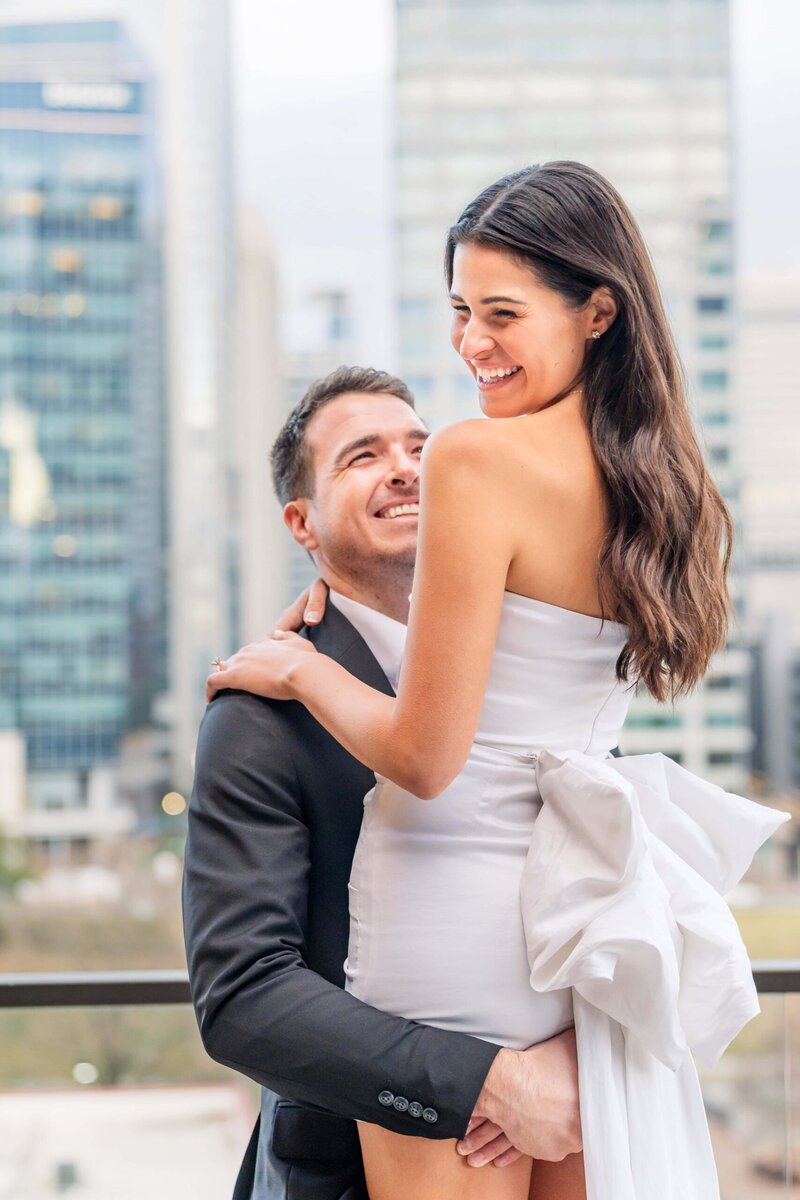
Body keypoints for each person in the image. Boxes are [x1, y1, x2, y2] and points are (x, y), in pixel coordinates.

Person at [206, 162, 789, 1200]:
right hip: (574, 935)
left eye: (502, 314)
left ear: (596, 310)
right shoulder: (664, 489)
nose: (471, 343)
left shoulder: (475, 461)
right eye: (459, 312)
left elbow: (426, 760)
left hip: (446, 936)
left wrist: (299, 668)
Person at [184, 366, 583, 1200]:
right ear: (302, 522)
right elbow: (245, 996)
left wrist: (575, 1053)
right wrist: (487, 1083)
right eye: (362, 456)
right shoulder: (259, 712)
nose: (407, 468)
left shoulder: (528, 674)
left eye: (419, 447)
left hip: (569, 1136)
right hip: (349, 1172)